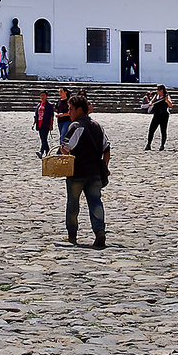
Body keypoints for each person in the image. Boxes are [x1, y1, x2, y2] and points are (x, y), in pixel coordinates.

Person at [59, 94, 108, 248]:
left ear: (79, 110)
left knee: (73, 204)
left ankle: (72, 234)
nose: (69, 112)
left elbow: (66, 149)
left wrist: (62, 151)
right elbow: (106, 149)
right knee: (95, 202)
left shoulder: (76, 126)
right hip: (95, 173)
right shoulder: (98, 126)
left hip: (77, 173)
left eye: (71, 109)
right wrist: (105, 166)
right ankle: (99, 231)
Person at [145, 85, 172, 150]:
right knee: (151, 130)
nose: (157, 91)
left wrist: (166, 100)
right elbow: (152, 102)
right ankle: (148, 144)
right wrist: (150, 103)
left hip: (164, 115)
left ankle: (162, 145)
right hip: (156, 115)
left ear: (161, 90)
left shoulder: (166, 96)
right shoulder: (156, 96)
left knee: (163, 130)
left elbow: (170, 105)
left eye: (158, 90)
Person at [33, 91, 55, 155]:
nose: (42, 97)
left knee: (44, 138)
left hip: (46, 123)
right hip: (39, 124)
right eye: (41, 95)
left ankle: (41, 151)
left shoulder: (49, 105)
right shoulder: (39, 105)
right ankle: (47, 152)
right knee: (43, 139)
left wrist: (51, 125)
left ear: (46, 96)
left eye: (44, 95)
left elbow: (51, 115)